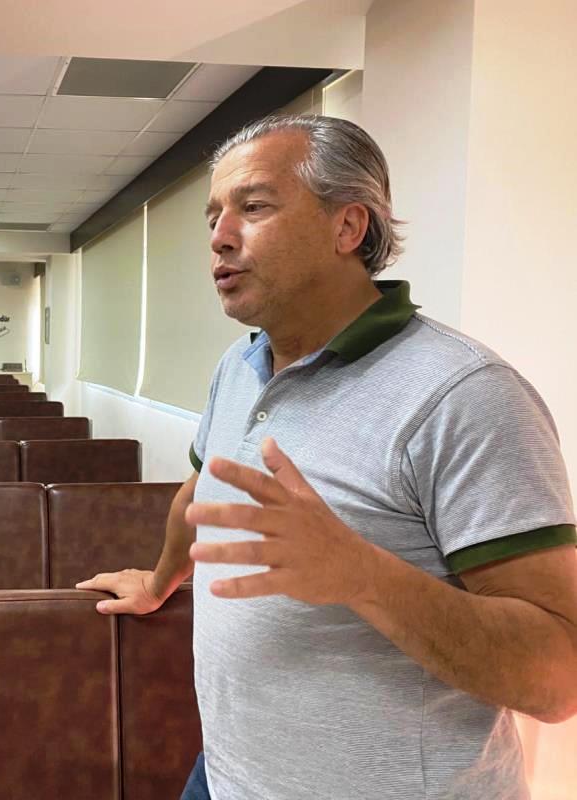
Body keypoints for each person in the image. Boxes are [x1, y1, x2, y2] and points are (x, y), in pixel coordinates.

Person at [77, 114, 577, 799]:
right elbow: (200, 495)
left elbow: (557, 672)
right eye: (213, 217)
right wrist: (160, 580)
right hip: (223, 778)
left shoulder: (465, 395)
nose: (219, 236)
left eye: (254, 207)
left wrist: (360, 574)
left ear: (348, 227)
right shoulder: (238, 366)